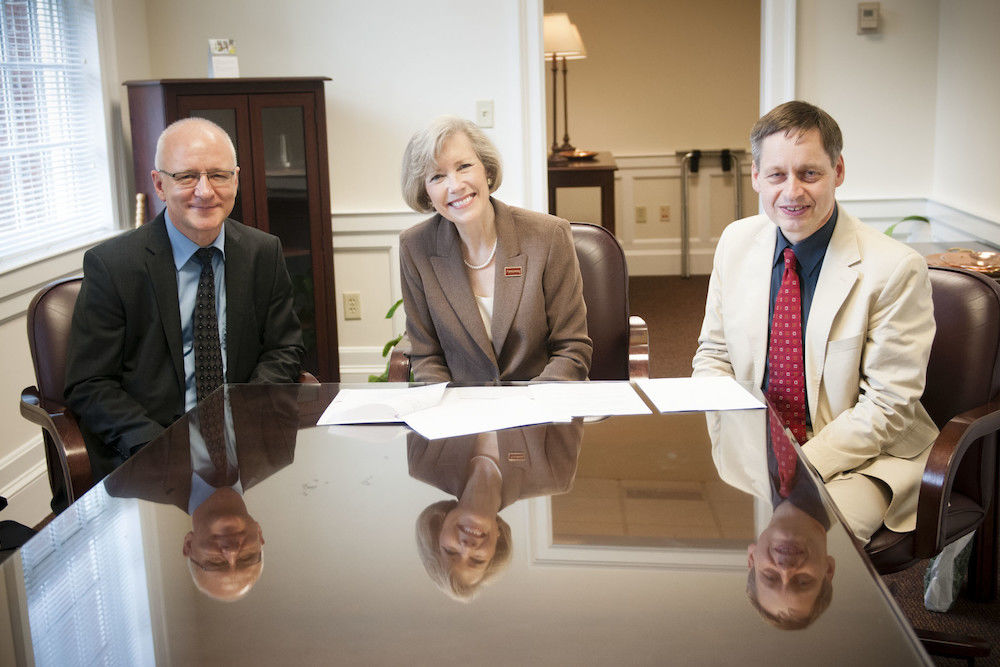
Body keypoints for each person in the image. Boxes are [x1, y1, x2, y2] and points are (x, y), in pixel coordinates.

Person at [693, 101, 938, 544]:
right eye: (776, 175)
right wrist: (746, 445)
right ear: (755, 177)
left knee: (798, 539)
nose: (792, 192)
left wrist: (797, 463)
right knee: (707, 534)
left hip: (860, 461)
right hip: (755, 447)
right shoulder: (735, 242)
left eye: (809, 174)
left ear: (838, 171)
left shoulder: (895, 268)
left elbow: (889, 406)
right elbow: (714, 356)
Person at [64, 117, 304, 488]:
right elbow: (91, 383)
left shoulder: (263, 252)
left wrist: (248, 415)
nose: (205, 191)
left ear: (236, 179)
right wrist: (160, 447)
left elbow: (283, 349)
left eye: (219, 175)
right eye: (187, 176)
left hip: (247, 449)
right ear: (160, 184)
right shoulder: (113, 265)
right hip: (150, 455)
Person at [399, 116, 592, 382]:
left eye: (464, 166)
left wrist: (531, 408)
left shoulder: (548, 236)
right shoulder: (415, 247)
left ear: (487, 170)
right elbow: (426, 356)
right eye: (437, 176)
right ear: (426, 193)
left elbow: (572, 348)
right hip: (462, 414)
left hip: (542, 408)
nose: (455, 186)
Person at [409, 422, 583, 600]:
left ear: (439, 526)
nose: (467, 548)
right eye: (477, 560)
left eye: (451, 552)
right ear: (497, 544)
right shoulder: (553, 476)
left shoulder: (424, 461)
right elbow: (571, 397)